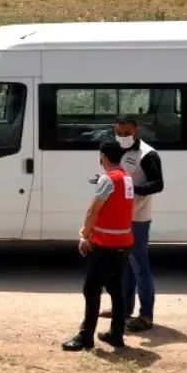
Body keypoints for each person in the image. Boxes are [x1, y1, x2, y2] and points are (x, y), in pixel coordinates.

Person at [62, 140, 135, 352]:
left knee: (91, 289)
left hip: (106, 245)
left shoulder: (108, 179)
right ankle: (116, 334)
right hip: (123, 243)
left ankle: (85, 336)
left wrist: (84, 235)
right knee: (115, 289)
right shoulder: (127, 178)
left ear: (102, 156)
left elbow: (93, 210)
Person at [100, 115, 164, 332]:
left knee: (140, 267)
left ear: (136, 130)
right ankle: (124, 309)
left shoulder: (147, 154)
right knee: (123, 266)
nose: (123, 136)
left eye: (127, 133)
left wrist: (131, 189)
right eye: (119, 132)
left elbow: (157, 184)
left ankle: (146, 316)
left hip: (138, 218)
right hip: (121, 218)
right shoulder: (117, 151)